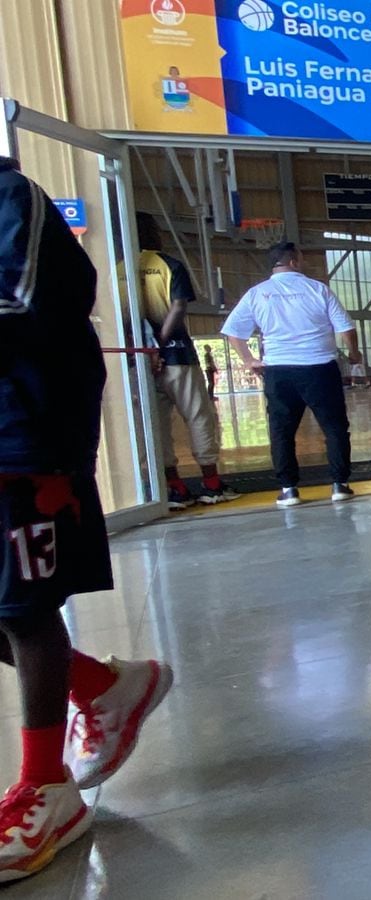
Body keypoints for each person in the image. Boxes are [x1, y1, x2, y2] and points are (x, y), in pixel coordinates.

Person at [0, 157, 174, 882]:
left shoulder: (13, 201)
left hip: (20, 439)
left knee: (23, 604)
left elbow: (29, 303)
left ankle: (47, 784)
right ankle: (100, 685)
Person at [221, 243, 359, 509]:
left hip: (279, 371)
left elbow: (233, 332)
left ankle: (288, 489)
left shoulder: (257, 294)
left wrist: (249, 360)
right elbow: (346, 328)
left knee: (282, 431)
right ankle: (339, 485)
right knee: (334, 428)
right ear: (294, 261)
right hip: (319, 368)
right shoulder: (318, 289)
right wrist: (354, 353)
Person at [134, 213, 237, 509]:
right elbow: (178, 306)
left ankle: (173, 487)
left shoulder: (120, 268)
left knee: (155, 425)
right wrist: (161, 344)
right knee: (198, 416)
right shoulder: (169, 265)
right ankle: (212, 484)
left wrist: (147, 349)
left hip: (139, 359)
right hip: (176, 353)